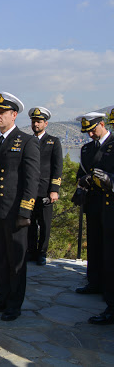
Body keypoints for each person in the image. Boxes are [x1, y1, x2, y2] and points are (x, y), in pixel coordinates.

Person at [0, 92, 40, 321]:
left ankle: (14, 303)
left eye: (2, 112)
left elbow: (31, 180)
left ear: (14, 115)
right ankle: (1, 296)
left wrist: (25, 211)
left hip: (15, 211)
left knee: (16, 260)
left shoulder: (27, 142)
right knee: (0, 257)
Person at [73, 112, 113, 294]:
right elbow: (80, 175)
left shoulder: (112, 144)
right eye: (86, 131)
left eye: (92, 130)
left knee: (108, 245)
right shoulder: (86, 149)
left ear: (102, 124)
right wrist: (82, 183)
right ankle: (94, 281)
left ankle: (107, 284)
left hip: (109, 201)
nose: (89, 134)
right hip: (92, 201)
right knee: (94, 242)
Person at [27, 107, 63, 266]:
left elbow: (57, 167)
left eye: (39, 121)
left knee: (45, 224)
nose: (36, 124)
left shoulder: (53, 141)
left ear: (45, 123)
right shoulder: (28, 141)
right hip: (29, 190)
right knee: (29, 223)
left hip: (46, 191)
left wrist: (54, 190)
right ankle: (31, 251)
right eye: (34, 121)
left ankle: (42, 252)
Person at [89, 142, 114, 325]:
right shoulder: (110, 146)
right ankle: (111, 307)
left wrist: (111, 181)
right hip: (109, 213)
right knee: (109, 262)